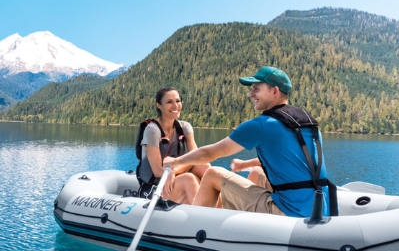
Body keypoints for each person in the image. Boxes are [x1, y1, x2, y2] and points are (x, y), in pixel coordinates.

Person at [164, 67, 333, 218]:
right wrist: (245, 164)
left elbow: (210, 153)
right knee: (257, 173)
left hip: (290, 212)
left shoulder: (262, 125)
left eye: (256, 89)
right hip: (320, 208)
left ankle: (198, 230)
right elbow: (287, 159)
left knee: (213, 174)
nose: (251, 94)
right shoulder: (307, 123)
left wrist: (175, 162)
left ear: (275, 91)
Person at [137, 86, 210, 204]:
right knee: (189, 178)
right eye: (169, 102)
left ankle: (220, 209)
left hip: (174, 180)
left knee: (204, 166)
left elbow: (197, 158)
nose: (176, 106)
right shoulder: (152, 130)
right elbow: (157, 171)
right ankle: (203, 213)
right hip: (154, 189)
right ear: (159, 105)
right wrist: (175, 171)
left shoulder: (184, 127)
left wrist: (174, 172)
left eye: (178, 101)